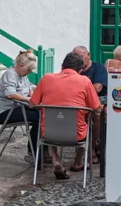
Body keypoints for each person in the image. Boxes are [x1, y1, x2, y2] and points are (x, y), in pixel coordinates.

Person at [30, 51, 102, 180]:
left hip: (49, 134)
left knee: (49, 121)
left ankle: (55, 159)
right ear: (80, 70)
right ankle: (78, 161)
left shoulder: (46, 78)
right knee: (89, 122)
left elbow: (32, 104)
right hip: (76, 135)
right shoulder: (84, 80)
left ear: (62, 66)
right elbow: (97, 109)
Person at [0, 50, 40, 157]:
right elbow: (10, 94)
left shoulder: (23, 75)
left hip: (19, 107)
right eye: (29, 69)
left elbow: (30, 90)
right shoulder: (10, 74)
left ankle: (41, 150)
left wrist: (33, 97)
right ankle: (33, 152)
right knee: (39, 119)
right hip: (6, 112)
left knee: (44, 115)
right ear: (21, 66)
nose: (30, 72)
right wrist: (28, 99)